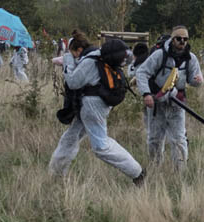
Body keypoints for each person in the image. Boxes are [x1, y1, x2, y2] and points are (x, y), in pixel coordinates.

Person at [49, 31, 145, 185]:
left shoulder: (90, 61)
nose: (74, 57)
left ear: (79, 49)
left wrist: (67, 60)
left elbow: (73, 82)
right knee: (70, 138)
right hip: (93, 104)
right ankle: (56, 175)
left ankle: (137, 173)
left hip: (92, 106)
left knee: (101, 146)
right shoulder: (97, 55)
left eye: (73, 53)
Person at [136, 27, 203, 169]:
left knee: (179, 139)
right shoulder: (159, 55)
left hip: (177, 103)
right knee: (155, 139)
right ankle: (155, 169)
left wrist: (197, 81)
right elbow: (142, 73)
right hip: (156, 102)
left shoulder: (191, 58)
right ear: (172, 40)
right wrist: (146, 94)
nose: (182, 41)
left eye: (185, 39)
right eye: (179, 38)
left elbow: (194, 79)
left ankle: (180, 172)